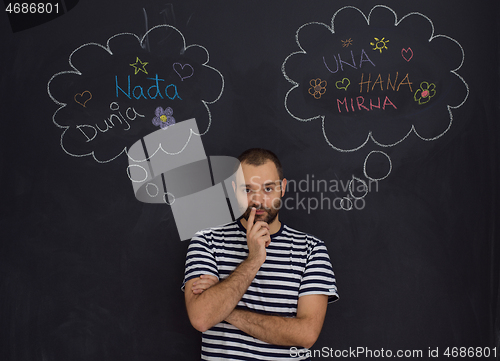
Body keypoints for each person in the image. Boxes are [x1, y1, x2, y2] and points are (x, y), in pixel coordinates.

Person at [181, 148, 338, 360]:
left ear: (282, 188)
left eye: (268, 188)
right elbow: (200, 318)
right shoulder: (206, 241)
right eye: (247, 189)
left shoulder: (311, 249)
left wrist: (224, 311)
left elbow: (306, 335)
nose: (258, 200)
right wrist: (254, 260)